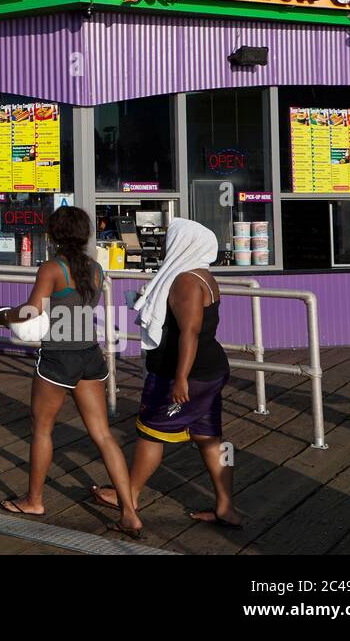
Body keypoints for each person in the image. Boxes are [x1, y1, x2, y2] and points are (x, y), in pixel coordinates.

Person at [0, 205, 144, 538]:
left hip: (59, 357)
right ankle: (130, 512)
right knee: (103, 435)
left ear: (53, 235)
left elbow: (32, 310)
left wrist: (5, 317)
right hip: (90, 355)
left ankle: (34, 500)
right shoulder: (96, 269)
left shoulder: (52, 267)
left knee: (42, 429)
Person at [91, 218, 242, 529]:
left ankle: (129, 496)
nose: (162, 247)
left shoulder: (185, 281)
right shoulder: (203, 276)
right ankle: (226, 506)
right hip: (210, 371)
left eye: (167, 241)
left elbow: (190, 332)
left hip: (186, 374)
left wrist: (181, 378)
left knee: (150, 433)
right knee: (210, 438)